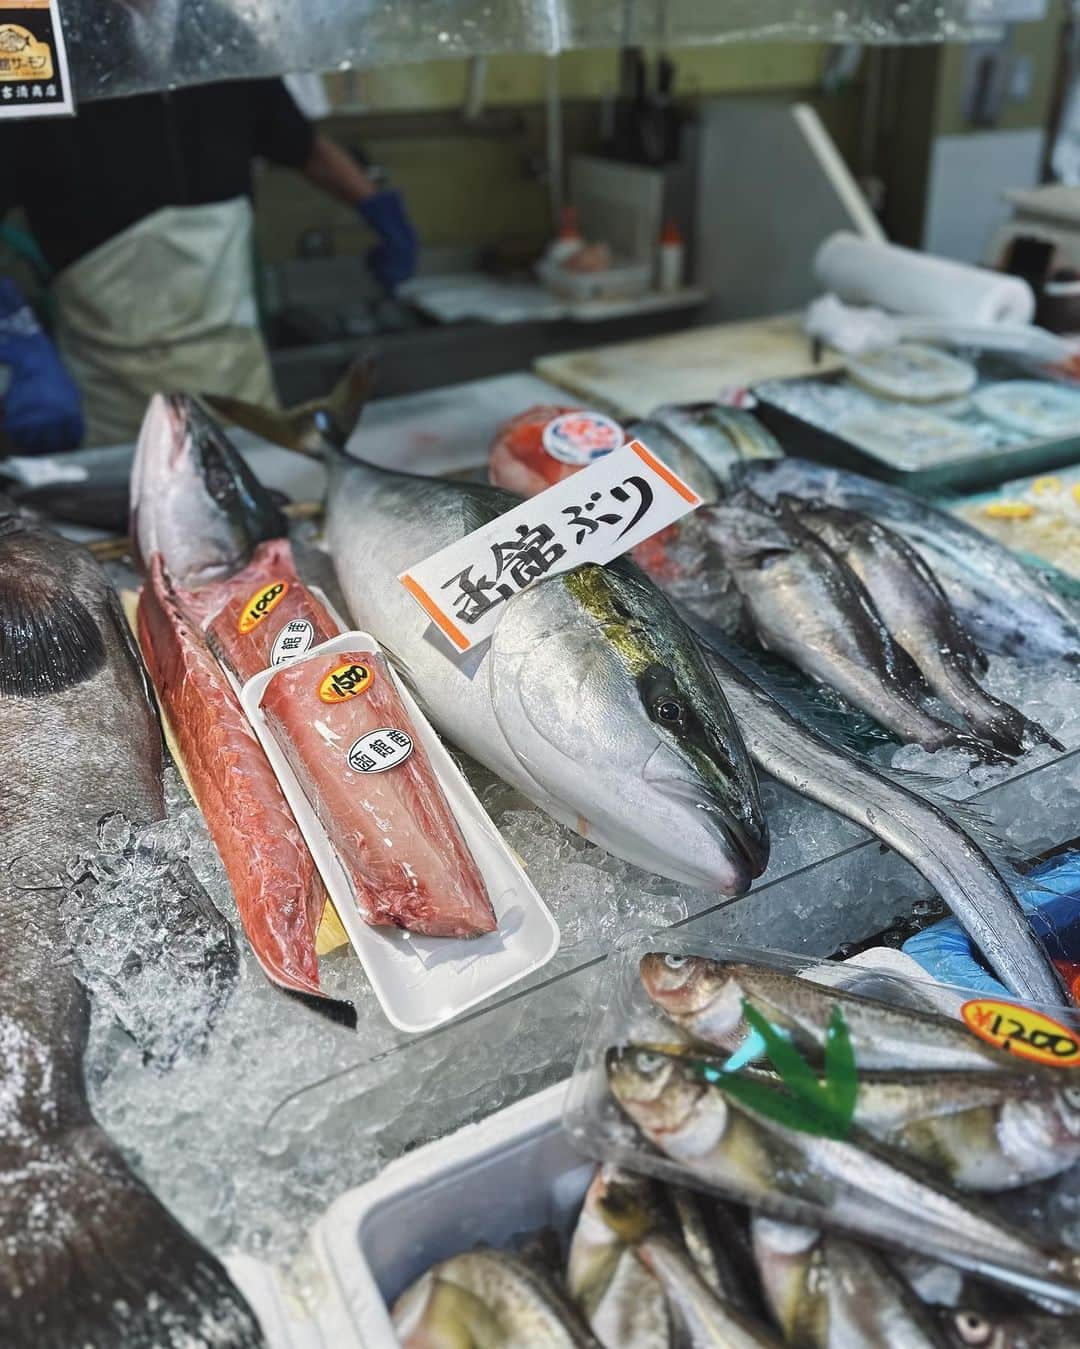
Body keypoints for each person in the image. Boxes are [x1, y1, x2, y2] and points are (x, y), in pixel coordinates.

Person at [0, 72, 416, 448]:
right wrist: (15, 340)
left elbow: (301, 145)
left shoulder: (216, 36)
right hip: (113, 399)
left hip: (239, 385)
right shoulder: (39, 49)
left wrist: (376, 205)